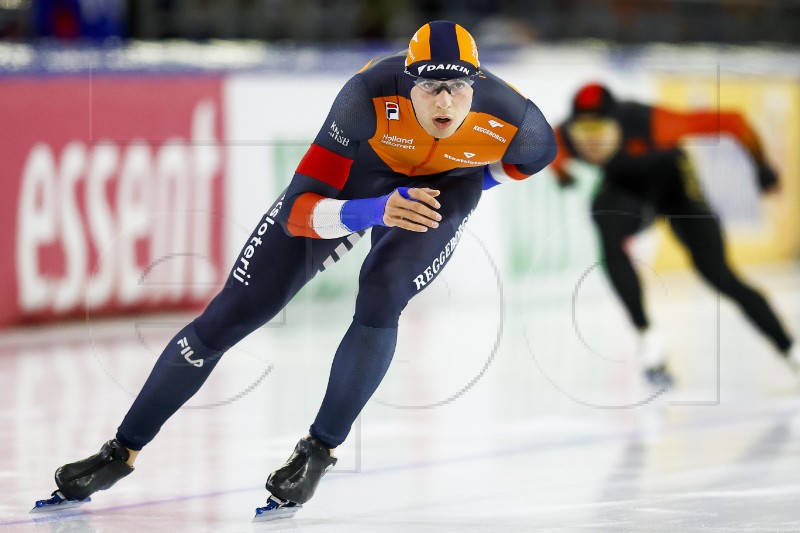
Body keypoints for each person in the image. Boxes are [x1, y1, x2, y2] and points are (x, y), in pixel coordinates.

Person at [37, 21, 557, 518]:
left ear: (478, 82)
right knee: (231, 314)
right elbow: (297, 211)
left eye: (457, 87)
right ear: (407, 81)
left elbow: (529, 161)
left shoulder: (519, 121)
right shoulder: (366, 96)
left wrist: (466, 188)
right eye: (429, 86)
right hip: (359, 182)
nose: (444, 101)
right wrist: (374, 210)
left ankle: (318, 450)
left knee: (383, 290)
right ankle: (121, 451)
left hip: (441, 188)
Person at [551, 82, 797, 387]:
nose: (591, 141)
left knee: (717, 274)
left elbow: (734, 121)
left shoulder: (656, 123)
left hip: (675, 184)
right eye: (582, 131)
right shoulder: (561, 138)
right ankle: (647, 337)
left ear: (618, 123)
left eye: (599, 129)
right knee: (604, 218)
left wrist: (762, 169)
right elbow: (550, 155)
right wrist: (562, 175)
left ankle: (790, 348)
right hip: (627, 190)